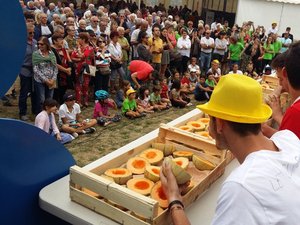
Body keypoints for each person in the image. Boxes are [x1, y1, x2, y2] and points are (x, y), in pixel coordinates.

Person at [160, 74, 300, 225]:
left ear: (219, 124)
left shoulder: (242, 186)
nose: (208, 128)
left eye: (210, 118)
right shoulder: (289, 139)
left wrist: (174, 200)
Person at [262, 42, 300, 138]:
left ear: (285, 72)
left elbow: (291, 145)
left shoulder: (295, 112)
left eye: (281, 79)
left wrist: (278, 116)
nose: (279, 84)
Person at [32, 36, 58, 114]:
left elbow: (55, 67)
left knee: (50, 98)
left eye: (42, 44)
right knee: (42, 99)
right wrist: (46, 80)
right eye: (38, 44)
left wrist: (53, 79)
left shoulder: (52, 53)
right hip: (40, 80)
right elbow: (36, 69)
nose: (39, 46)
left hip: (51, 80)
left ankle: (49, 113)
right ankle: (41, 114)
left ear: (47, 44)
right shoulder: (36, 54)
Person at [19, 23, 38, 121]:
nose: (32, 34)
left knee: (34, 91)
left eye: (33, 33)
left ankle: (35, 110)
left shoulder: (35, 42)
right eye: (30, 33)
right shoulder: (20, 43)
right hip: (24, 70)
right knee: (24, 92)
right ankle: (22, 112)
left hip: (34, 70)